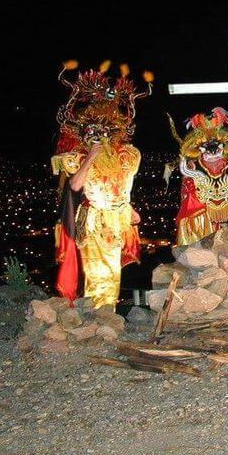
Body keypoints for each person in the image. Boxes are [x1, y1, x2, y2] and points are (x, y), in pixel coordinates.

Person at [52, 66, 150, 308]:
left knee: (113, 272)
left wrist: (130, 209)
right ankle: (99, 315)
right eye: (94, 133)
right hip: (95, 221)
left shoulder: (127, 156)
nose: (100, 137)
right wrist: (90, 157)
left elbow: (120, 187)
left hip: (118, 221)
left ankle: (107, 316)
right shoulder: (78, 157)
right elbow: (75, 184)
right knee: (98, 272)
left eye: (105, 132)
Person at [165, 107, 228, 246]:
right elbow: (189, 206)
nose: (212, 150)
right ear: (198, 148)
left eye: (216, 145)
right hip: (202, 227)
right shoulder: (192, 168)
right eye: (206, 146)